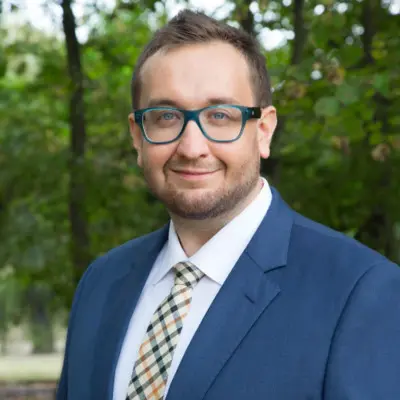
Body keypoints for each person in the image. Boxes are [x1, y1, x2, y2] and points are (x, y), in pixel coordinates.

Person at [57, 9, 400, 400]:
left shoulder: (360, 292)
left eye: (220, 115)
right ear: (138, 136)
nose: (191, 147)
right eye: (166, 116)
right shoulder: (101, 283)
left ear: (264, 131)